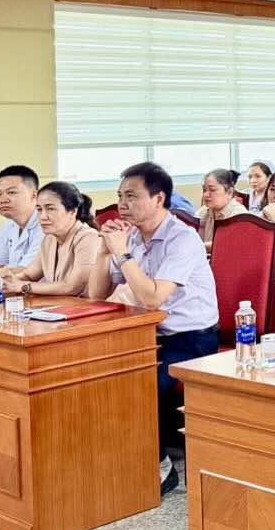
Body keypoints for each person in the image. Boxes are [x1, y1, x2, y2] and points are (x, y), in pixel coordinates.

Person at [86, 162, 218, 496]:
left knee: (138, 383)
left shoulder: (181, 239)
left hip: (192, 340)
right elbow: (96, 294)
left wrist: (124, 254)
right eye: (119, 196)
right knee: (100, 373)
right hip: (150, 336)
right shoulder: (132, 238)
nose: (122, 204)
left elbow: (153, 297)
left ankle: (162, 468)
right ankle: (123, 458)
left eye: (131, 196)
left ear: (159, 198)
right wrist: (104, 252)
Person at [1, 181, 101, 297]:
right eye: (39, 209)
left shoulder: (89, 237)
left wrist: (23, 286)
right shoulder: (49, 238)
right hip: (59, 308)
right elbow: (29, 275)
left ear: (73, 211)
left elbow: (73, 287)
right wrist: (8, 281)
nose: (43, 216)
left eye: (51, 209)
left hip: (87, 310)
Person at [194, 169, 248, 244]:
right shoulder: (206, 210)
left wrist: (199, 246)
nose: (205, 195)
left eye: (212, 190)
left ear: (229, 192)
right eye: (204, 190)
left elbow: (227, 244)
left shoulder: (239, 214)